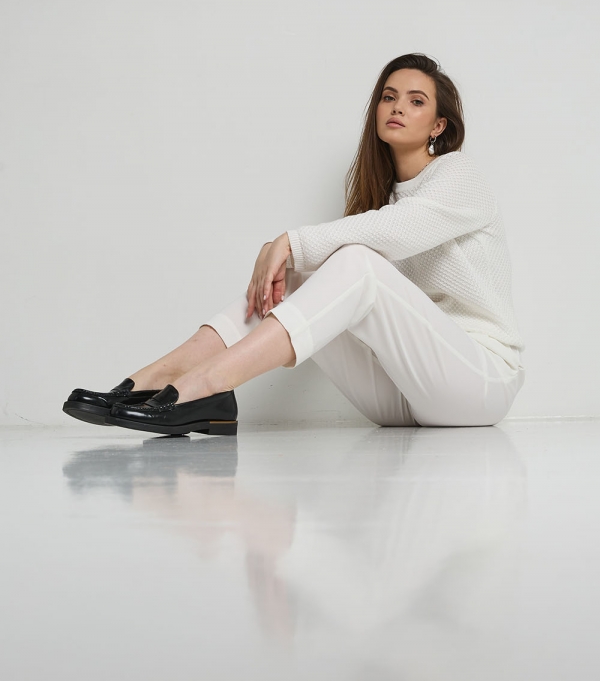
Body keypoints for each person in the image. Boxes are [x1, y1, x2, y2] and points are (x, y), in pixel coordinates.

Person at [62, 53, 526, 435]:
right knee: (299, 275)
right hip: (405, 395)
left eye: (415, 101)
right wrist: (288, 253)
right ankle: (159, 377)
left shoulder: (459, 176)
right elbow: (378, 228)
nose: (397, 107)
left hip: (478, 384)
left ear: (439, 126)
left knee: (353, 261)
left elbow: (399, 229)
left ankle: (208, 384)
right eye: (389, 96)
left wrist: (290, 241)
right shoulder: (384, 200)